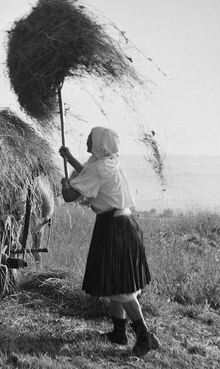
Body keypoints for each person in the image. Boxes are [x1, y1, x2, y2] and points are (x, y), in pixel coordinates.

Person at [59, 127, 160, 356]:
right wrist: (71, 158)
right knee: (116, 283)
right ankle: (119, 332)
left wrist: (65, 184)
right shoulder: (109, 162)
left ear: (99, 143)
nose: (87, 139)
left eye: (89, 137)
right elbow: (89, 175)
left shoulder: (98, 168)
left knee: (123, 288)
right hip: (121, 223)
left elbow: (70, 196)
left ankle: (144, 335)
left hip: (115, 228)